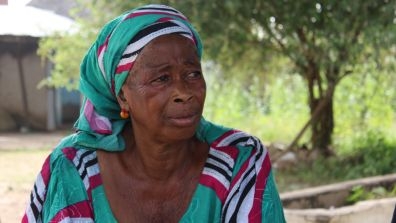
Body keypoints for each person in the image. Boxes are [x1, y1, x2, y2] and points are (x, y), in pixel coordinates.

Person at [22, 4, 286, 223]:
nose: (183, 91)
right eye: (161, 78)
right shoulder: (74, 167)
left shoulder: (239, 159)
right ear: (123, 96)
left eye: (193, 73)